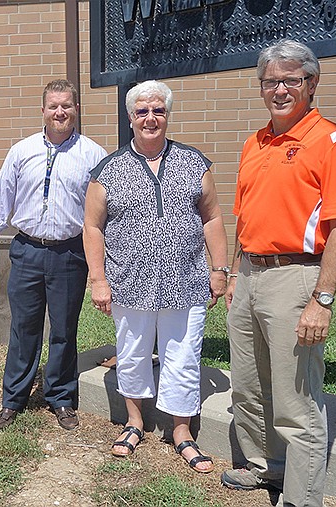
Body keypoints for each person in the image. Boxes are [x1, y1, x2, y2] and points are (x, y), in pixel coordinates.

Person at [221, 40, 336, 507]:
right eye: (270, 81)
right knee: (249, 385)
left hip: (296, 277)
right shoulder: (253, 142)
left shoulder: (333, 142)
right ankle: (267, 467)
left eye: (290, 80)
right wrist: (237, 273)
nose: (279, 89)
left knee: (296, 399)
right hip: (250, 276)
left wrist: (321, 300)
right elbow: (245, 217)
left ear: (312, 83)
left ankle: (301, 498)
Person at [83, 80, 228, 473]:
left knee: (182, 356)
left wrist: (219, 269)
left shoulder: (194, 162)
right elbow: (93, 226)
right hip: (130, 283)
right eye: (142, 111)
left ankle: (182, 431)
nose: (151, 118)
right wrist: (98, 279)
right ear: (130, 117)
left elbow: (212, 217)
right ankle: (135, 422)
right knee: (132, 353)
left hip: (187, 280)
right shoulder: (108, 169)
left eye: (158, 110)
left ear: (167, 115)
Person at [0, 79, 107, 433]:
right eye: (54, 106)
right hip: (27, 249)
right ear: (43, 110)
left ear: (76, 110)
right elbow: (1, 197)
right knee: (23, 328)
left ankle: (60, 398)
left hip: (70, 253)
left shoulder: (93, 155)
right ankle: (13, 400)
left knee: (65, 330)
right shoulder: (21, 151)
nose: (60, 112)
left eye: (66, 105)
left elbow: (103, 212)